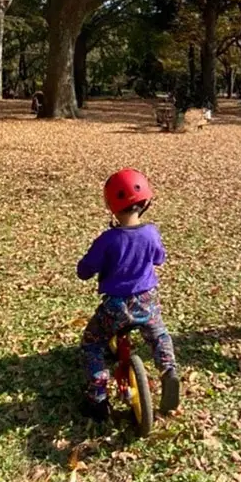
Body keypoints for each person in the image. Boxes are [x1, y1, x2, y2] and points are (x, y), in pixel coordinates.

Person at [77, 168, 179, 422]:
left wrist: (87, 269)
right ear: (145, 202)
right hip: (146, 302)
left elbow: (85, 269)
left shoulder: (108, 239)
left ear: (110, 206)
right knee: (159, 336)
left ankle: (97, 395)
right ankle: (168, 369)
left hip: (116, 307)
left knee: (91, 343)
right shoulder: (151, 233)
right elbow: (159, 258)